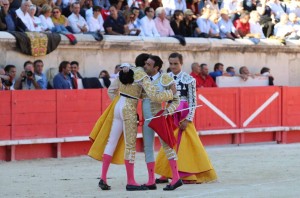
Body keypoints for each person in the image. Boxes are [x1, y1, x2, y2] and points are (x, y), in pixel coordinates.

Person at [88, 54, 177, 191]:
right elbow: (154, 96)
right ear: (143, 64)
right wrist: (170, 94)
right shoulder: (142, 75)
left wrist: (119, 102)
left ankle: (103, 178)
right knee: (130, 145)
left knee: (111, 142)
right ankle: (131, 181)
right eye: (146, 64)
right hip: (129, 108)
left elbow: (111, 90)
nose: (147, 66)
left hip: (118, 105)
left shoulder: (126, 70)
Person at [155, 52, 217, 184]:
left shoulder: (189, 79)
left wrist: (188, 119)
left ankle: (186, 174)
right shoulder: (166, 78)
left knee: (185, 146)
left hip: (183, 115)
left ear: (181, 63)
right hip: (170, 114)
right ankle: (166, 173)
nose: (173, 66)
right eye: (171, 64)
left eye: (175, 64)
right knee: (167, 143)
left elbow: (193, 100)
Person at [142, 55, 183, 191]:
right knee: (148, 148)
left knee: (167, 147)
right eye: (145, 64)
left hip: (159, 117)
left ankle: (176, 178)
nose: (145, 66)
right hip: (146, 119)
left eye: (148, 65)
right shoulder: (143, 78)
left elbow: (176, 100)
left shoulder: (165, 79)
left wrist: (168, 111)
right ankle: (150, 180)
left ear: (156, 68)